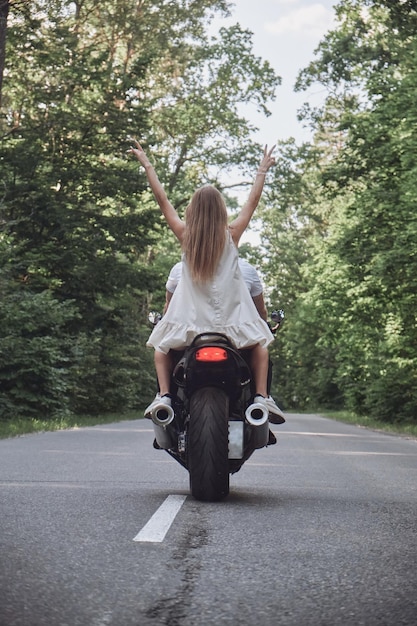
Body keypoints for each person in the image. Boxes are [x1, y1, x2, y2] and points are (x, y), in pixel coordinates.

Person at [128, 139, 285, 423]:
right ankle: (261, 399)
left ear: (193, 211)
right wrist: (262, 170)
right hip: (232, 328)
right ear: (221, 211)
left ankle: (164, 396)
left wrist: (148, 165)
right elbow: (252, 202)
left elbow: (162, 200)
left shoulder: (185, 235)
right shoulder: (232, 234)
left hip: (190, 328)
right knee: (261, 347)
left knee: (162, 350)